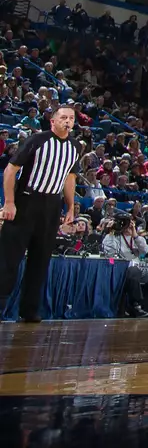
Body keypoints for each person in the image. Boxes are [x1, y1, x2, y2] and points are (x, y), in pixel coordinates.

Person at [0, 104, 80, 323]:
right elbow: (10, 169)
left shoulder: (75, 147)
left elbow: (70, 178)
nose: (68, 121)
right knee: (9, 257)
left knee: (41, 260)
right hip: (26, 199)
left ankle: (29, 310)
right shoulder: (37, 140)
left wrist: (70, 207)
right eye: (63, 117)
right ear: (52, 121)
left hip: (52, 204)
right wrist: (9, 202)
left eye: (71, 118)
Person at [103, 218, 148, 317]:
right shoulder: (112, 237)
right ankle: (135, 305)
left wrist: (135, 235)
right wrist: (111, 231)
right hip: (120, 272)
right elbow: (110, 252)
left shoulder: (137, 238)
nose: (126, 227)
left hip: (138, 270)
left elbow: (145, 251)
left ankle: (143, 307)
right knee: (134, 271)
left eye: (128, 224)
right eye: (123, 224)